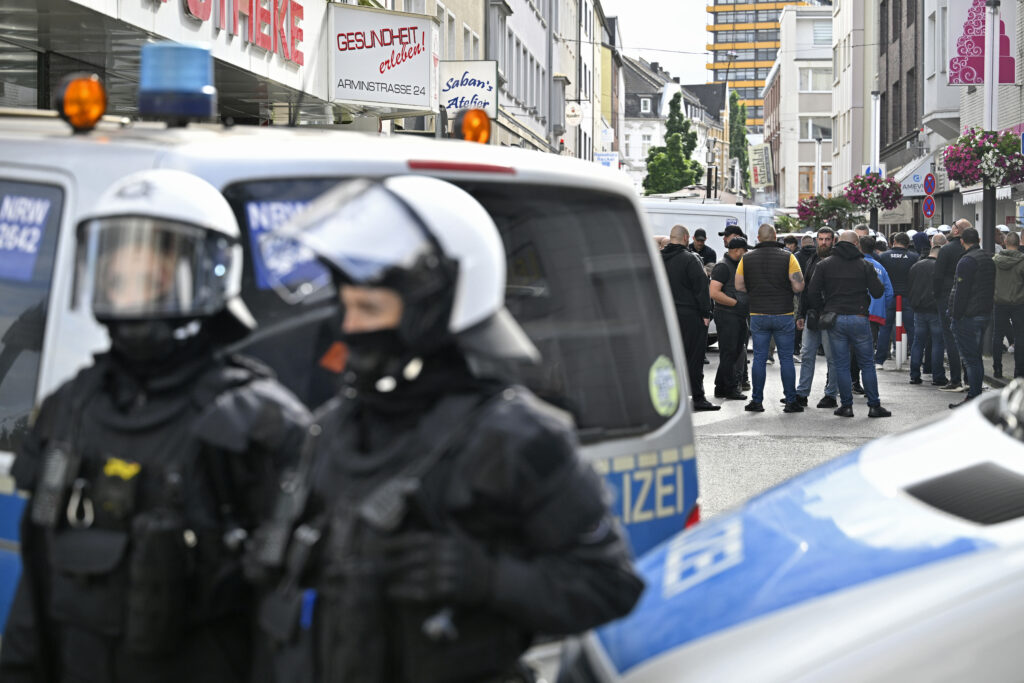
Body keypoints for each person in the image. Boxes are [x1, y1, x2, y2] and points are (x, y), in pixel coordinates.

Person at [246, 176, 644, 683]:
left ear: (432, 310)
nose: (351, 327)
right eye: (347, 307)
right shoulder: (336, 427)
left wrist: (489, 578)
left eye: (370, 308)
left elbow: (610, 586)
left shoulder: (518, 434)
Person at [0, 170, 311, 683]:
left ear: (209, 273)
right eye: (116, 278)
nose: (130, 296)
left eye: (151, 279)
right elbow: (34, 594)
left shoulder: (258, 423)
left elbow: (287, 629)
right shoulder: (72, 407)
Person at [806, 231, 892, 418]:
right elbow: (878, 292)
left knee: (841, 364)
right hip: (860, 317)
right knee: (867, 364)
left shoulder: (824, 265)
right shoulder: (865, 265)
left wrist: (824, 309)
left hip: (835, 318)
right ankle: (874, 405)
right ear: (856, 244)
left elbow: (811, 292)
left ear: (837, 243)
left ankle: (846, 406)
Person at [735, 223, 804, 413]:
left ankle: (757, 401)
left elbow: (739, 285)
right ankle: (791, 401)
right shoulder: (789, 257)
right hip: (784, 313)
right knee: (786, 359)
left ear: (758, 238)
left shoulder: (746, 259)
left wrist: (756, 291)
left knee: (758, 358)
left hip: (758, 313)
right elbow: (799, 286)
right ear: (776, 238)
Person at [663, 224, 720, 411]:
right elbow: (701, 288)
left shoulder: (657, 259)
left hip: (665, 316)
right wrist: (706, 313)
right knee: (694, 359)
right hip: (690, 316)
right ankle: (698, 397)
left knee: (668, 359)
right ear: (687, 238)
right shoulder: (690, 259)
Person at [949, 227, 995, 408]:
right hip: (983, 312)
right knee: (976, 357)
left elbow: (962, 291)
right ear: (979, 239)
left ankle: (973, 396)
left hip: (968, 315)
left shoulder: (967, 261)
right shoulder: (987, 258)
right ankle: (976, 393)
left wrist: (955, 315)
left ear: (962, 241)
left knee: (970, 358)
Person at [795, 227, 839, 408]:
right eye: (820, 239)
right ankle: (802, 393)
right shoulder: (811, 259)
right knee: (806, 355)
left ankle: (831, 394)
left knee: (832, 357)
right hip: (812, 314)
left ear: (833, 241)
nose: (823, 243)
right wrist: (801, 314)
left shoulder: (837, 261)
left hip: (831, 315)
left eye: (827, 239)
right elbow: (805, 289)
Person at [710, 237, 750, 400]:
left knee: (733, 351)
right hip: (728, 314)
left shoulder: (736, 265)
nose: (746, 253)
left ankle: (720, 387)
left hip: (737, 314)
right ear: (736, 251)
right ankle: (731, 388)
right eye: (744, 250)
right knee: (730, 352)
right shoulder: (723, 266)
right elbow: (714, 293)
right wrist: (735, 304)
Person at [934, 218, 970, 392]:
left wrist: (937, 295)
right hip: (968, 298)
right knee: (967, 338)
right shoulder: (970, 250)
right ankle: (970, 378)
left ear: (957, 231)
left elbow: (938, 276)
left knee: (950, 337)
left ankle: (955, 379)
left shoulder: (946, 250)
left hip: (947, 297)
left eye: (953, 225)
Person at [874, 232, 919, 368]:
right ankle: (916, 361)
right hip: (907, 297)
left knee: (885, 328)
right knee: (912, 329)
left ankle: (879, 360)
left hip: (888, 297)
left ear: (893, 242)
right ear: (907, 244)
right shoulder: (914, 257)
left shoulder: (884, 257)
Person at [908, 241, 947, 387]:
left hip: (919, 310)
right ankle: (938, 376)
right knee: (937, 343)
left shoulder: (916, 266)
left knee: (918, 342)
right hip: (935, 310)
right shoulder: (940, 267)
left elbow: (910, 287)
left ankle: (914, 375)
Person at [993, 231, 1024, 379]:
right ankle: (1019, 372)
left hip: (999, 303)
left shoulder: (995, 261)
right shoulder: (1022, 261)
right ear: (1018, 244)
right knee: (1020, 337)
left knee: (997, 336)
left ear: (1005, 243)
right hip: (1019, 303)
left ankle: (997, 369)